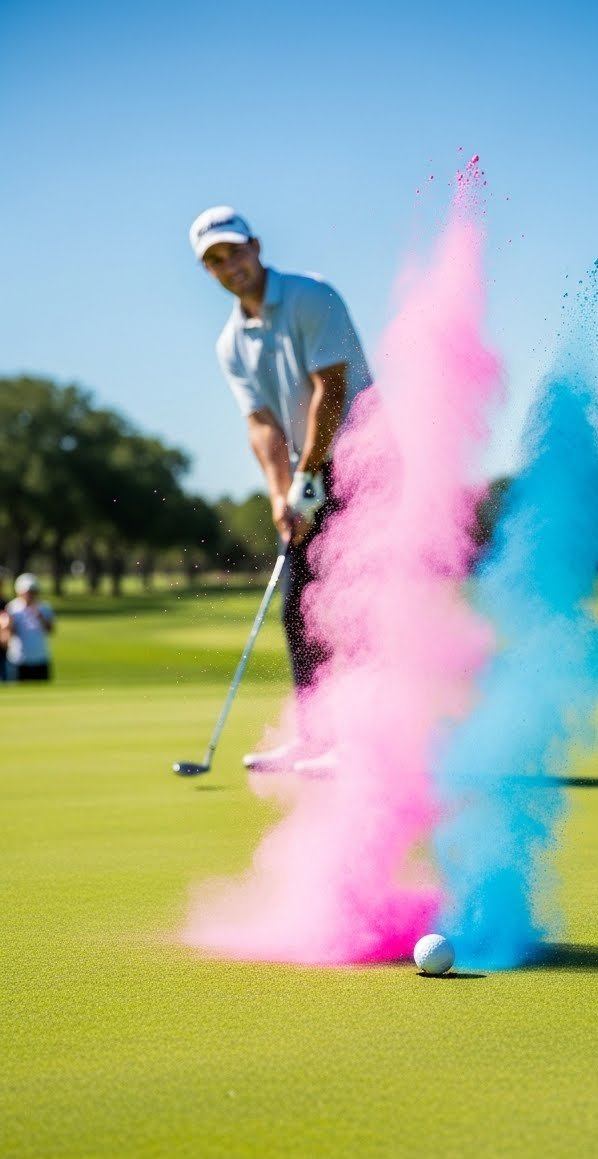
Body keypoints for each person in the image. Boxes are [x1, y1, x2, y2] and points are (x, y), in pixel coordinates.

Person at [189, 206, 372, 773]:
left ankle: (364, 741)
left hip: (366, 460)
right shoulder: (230, 344)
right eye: (216, 261)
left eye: (235, 252)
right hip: (308, 469)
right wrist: (280, 493)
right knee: (298, 606)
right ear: (208, 271)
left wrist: (309, 479)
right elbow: (262, 424)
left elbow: (330, 390)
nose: (230, 266)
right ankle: (317, 738)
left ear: (256, 246)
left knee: (353, 601)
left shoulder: (310, 297)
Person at [3, 573, 55, 681]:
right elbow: (9, 633)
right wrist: (9, 625)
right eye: (27, 592)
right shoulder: (12, 608)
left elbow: (50, 631)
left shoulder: (44, 608)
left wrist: (40, 616)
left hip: (40, 658)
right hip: (18, 658)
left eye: (33, 591)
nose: (30, 595)